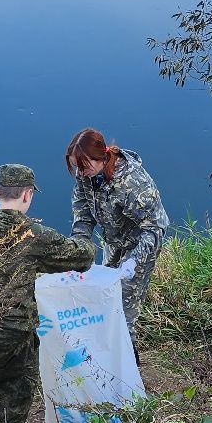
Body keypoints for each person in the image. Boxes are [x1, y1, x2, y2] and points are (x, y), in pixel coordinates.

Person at [0, 164, 95, 423]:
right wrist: (83, 229)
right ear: (28, 195)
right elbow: (83, 257)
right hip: (15, 338)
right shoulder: (34, 235)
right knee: (15, 399)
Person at [65, 128, 170, 328]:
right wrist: (79, 244)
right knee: (106, 296)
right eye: (76, 166)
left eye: (83, 166)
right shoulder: (86, 172)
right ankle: (106, 344)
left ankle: (127, 347)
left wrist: (133, 260)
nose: (80, 172)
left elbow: (155, 227)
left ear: (100, 158)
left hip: (139, 244)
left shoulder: (133, 183)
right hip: (113, 241)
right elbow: (83, 209)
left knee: (122, 311)